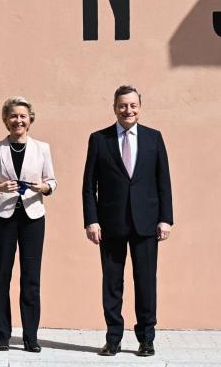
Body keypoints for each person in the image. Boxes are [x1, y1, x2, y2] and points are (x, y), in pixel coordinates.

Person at [82, 85, 173, 357]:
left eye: (133, 105)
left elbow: (163, 182)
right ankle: (113, 338)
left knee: (146, 282)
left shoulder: (153, 138)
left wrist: (165, 219)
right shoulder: (99, 139)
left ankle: (147, 339)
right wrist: (91, 220)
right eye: (123, 105)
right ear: (114, 107)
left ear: (140, 107)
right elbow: (89, 185)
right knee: (112, 284)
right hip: (110, 225)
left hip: (146, 223)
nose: (128, 110)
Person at [0, 96, 57, 352]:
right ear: (6, 120)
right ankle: (3, 335)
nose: (18, 120)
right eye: (13, 116)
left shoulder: (42, 148)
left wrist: (44, 187)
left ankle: (31, 337)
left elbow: (52, 181)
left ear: (30, 119)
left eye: (23, 116)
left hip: (33, 218)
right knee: (2, 278)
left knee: (31, 279)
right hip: (2, 218)